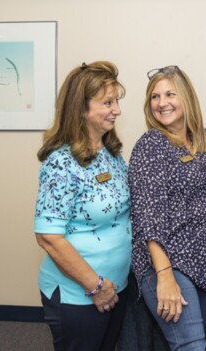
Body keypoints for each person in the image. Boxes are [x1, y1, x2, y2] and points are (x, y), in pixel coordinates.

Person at [128, 65, 206, 351]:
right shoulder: (151, 145)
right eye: (155, 97)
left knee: (188, 342)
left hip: (205, 259)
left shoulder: (203, 139)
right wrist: (165, 276)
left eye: (170, 94)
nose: (162, 103)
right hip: (167, 260)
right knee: (191, 346)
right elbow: (147, 216)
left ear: (186, 98)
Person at [34, 61, 131, 351]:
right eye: (107, 102)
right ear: (81, 108)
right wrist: (96, 286)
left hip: (116, 286)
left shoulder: (111, 154)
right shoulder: (61, 163)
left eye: (117, 101)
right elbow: (48, 237)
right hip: (81, 294)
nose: (117, 110)